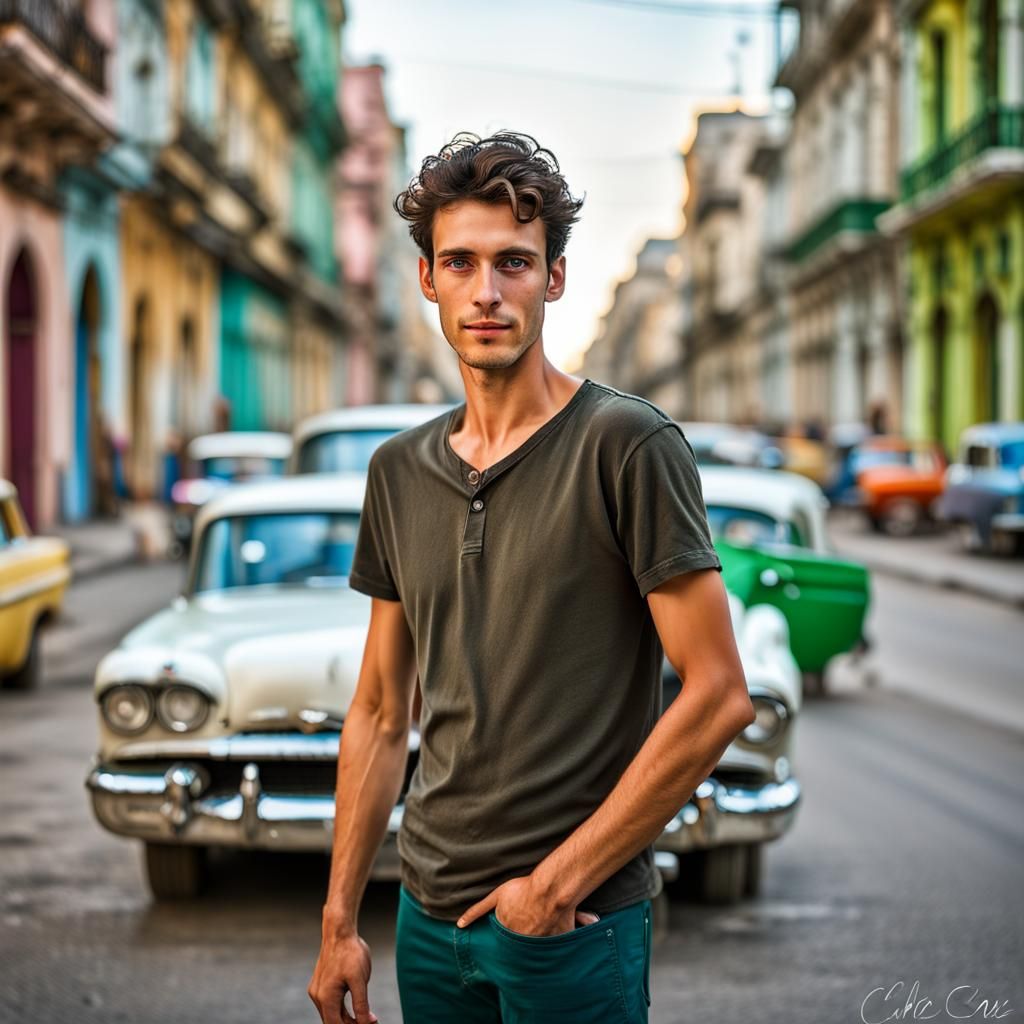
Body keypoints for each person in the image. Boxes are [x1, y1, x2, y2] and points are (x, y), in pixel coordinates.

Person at [308, 131, 755, 1024]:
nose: (486, 292)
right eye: (459, 263)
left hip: (571, 923)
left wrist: (553, 887)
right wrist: (338, 920)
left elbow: (716, 697)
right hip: (427, 921)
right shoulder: (398, 470)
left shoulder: (626, 445)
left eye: (514, 262)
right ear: (428, 279)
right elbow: (380, 709)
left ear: (553, 278)